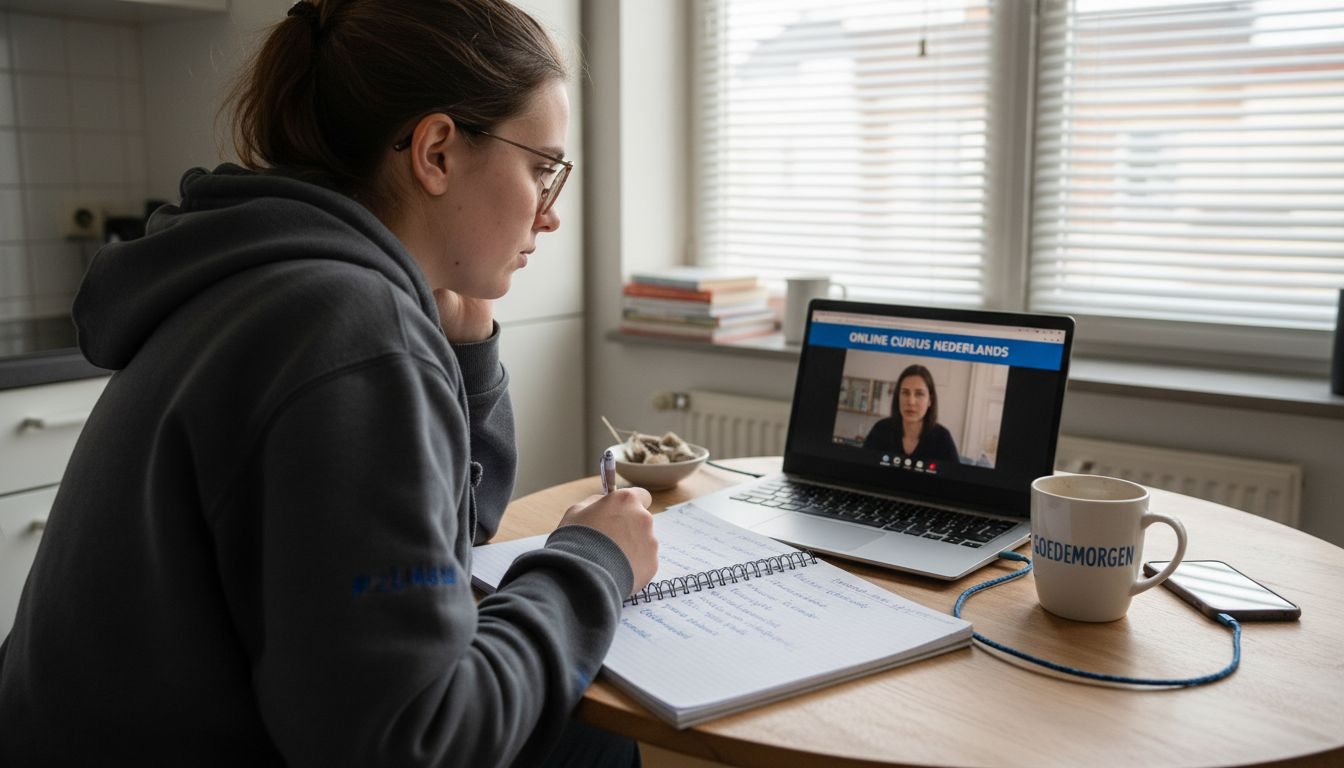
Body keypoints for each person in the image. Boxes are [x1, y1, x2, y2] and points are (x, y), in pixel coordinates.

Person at [0, 1, 659, 766]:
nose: (549, 216)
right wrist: (591, 560)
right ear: (437, 151)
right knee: (594, 742)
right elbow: (416, 745)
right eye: (543, 169)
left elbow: (441, 547)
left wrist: (468, 340)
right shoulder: (346, 324)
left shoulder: (269, 277)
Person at [862, 364, 959, 464]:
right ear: (897, 397)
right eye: (905, 393)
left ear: (930, 400)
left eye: (919, 394)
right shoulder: (881, 429)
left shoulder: (942, 438)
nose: (911, 401)